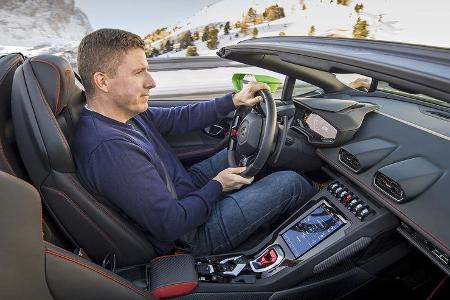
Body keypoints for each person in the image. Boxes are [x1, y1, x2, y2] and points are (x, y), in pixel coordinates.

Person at [72, 28, 316, 256]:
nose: (151, 82)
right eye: (138, 73)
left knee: (257, 151)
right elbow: (172, 225)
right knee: (291, 183)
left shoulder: (125, 113)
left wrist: (234, 100)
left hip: (183, 189)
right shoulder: (110, 149)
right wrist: (218, 186)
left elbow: (180, 118)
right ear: (102, 81)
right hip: (191, 235)